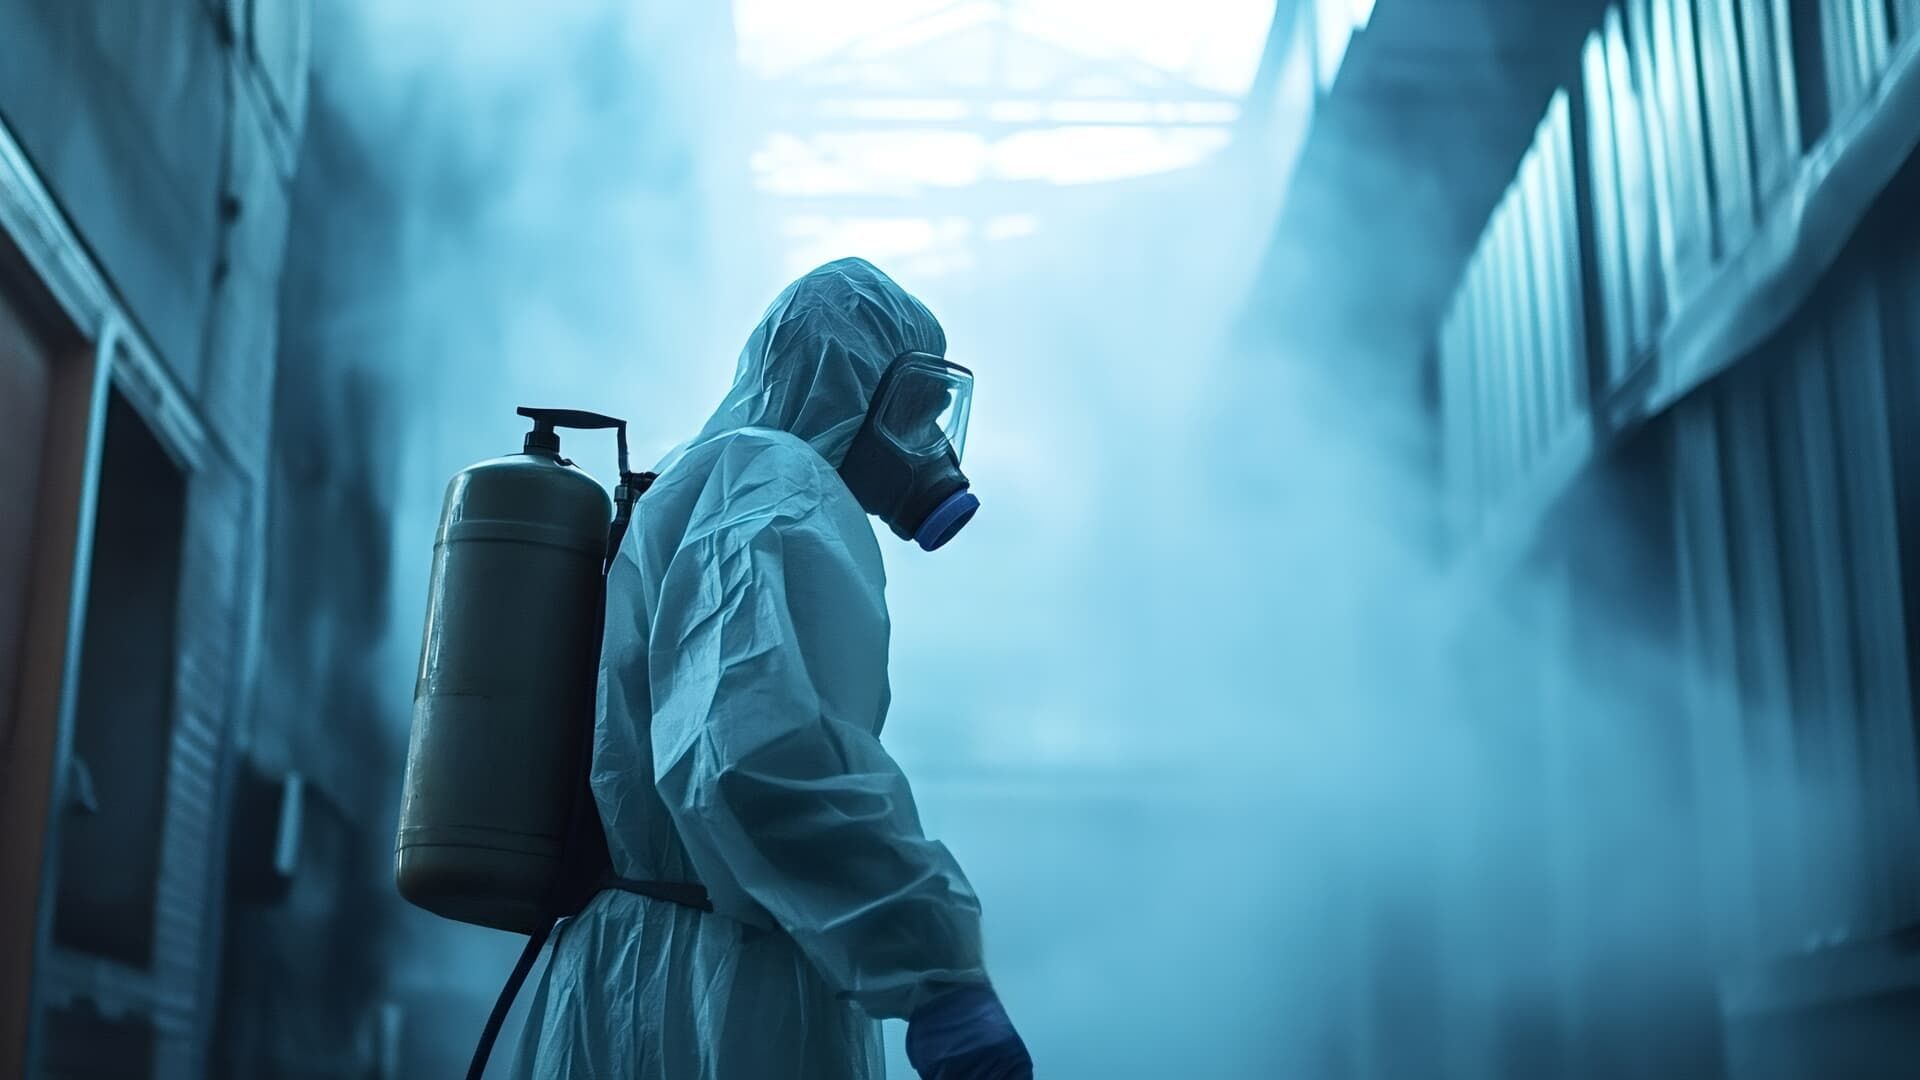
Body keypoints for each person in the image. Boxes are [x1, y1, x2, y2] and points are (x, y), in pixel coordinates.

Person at [509, 258, 1032, 1079]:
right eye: (910, 412)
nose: (927, 447)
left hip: (633, 971)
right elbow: (751, 749)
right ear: (842, 386)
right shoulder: (774, 478)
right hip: (716, 991)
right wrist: (933, 971)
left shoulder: (701, 482)